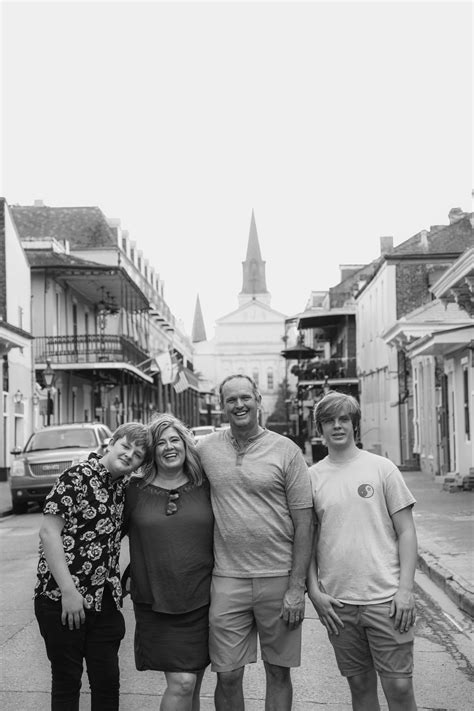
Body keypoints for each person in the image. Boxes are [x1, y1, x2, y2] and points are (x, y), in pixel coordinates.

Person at [197, 374, 313, 711]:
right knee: (227, 674)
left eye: (245, 397)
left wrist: (297, 586)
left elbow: (304, 523)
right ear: (222, 406)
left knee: (278, 672)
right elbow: (167, 465)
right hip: (228, 578)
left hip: (278, 578)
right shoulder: (205, 450)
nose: (239, 405)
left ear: (258, 400)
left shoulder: (286, 451)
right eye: (231, 399)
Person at [307, 392, 418, 711]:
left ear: (355, 424)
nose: (337, 426)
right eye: (329, 421)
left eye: (343, 419)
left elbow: (407, 531)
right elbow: (308, 542)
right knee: (360, 686)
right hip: (339, 604)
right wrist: (314, 591)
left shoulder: (382, 469)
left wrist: (405, 590)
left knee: (398, 686)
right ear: (320, 428)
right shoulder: (312, 478)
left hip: (386, 600)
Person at [34, 421, 152, 711]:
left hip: (105, 603)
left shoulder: (125, 489)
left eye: (137, 454)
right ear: (111, 443)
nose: (128, 455)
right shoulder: (76, 476)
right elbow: (49, 533)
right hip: (60, 599)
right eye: (125, 446)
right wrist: (69, 592)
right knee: (66, 682)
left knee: (108, 683)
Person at [123, 413, 214, 711]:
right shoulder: (133, 491)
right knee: (182, 684)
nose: (169, 447)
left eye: (175, 440)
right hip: (156, 602)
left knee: (193, 684)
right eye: (160, 442)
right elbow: (104, 533)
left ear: (186, 445)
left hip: (203, 600)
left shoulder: (207, 487)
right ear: (153, 451)